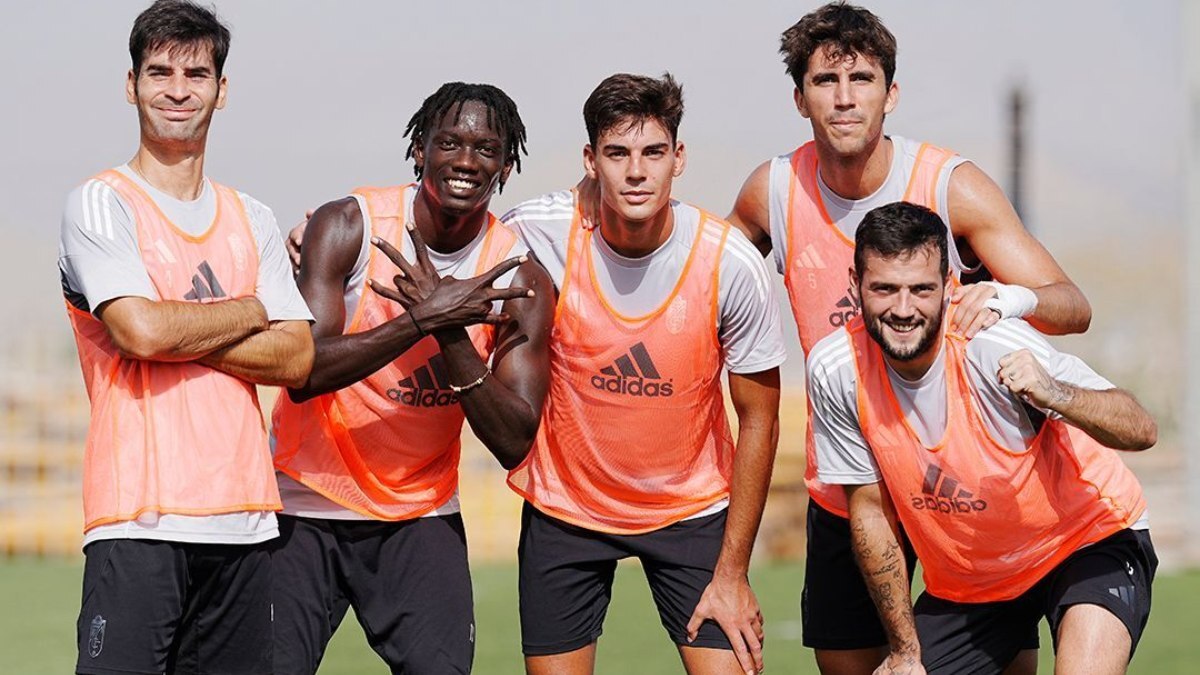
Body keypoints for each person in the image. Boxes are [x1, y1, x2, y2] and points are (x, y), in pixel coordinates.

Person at [724, 4, 1092, 672]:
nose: (844, 97)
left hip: (961, 482)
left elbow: (1072, 306)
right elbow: (703, 297)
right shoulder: (771, 191)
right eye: (825, 81)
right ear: (799, 99)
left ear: (891, 93)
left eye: (862, 79)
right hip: (849, 478)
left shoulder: (950, 188)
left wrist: (1012, 298)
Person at [57, 2, 315, 673]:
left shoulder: (251, 216)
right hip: (138, 520)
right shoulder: (101, 202)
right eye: (160, 72)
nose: (178, 90)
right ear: (131, 85)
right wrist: (252, 307)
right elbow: (139, 331)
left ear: (221, 90)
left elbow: (296, 356)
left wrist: (177, 326)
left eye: (196, 74)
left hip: (246, 521)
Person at [503, 72, 787, 675]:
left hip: (691, 509)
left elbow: (761, 419)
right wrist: (326, 232)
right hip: (567, 509)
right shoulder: (537, 230)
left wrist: (733, 573)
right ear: (590, 161)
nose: (637, 172)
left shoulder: (729, 263)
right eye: (617, 154)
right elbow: (448, 239)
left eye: (653, 152)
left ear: (678, 158)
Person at [269, 82, 554, 674]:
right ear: (419, 149)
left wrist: (450, 333)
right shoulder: (350, 225)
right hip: (304, 497)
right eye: (449, 143)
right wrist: (421, 319)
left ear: (506, 167)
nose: (466, 161)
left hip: (421, 512)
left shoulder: (518, 277)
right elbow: (302, 371)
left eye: (486, 149)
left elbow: (514, 440)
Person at [807, 201, 1156, 674]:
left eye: (921, 289)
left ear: (949, 286)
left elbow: (1141, 428)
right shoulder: (835, 369)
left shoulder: (991, 345)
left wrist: (1055, 394)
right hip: (973, 579)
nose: (903, 310)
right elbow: (870, 512)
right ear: (855, 285)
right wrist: (906, 651)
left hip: (1086, 540)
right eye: (885, 289)